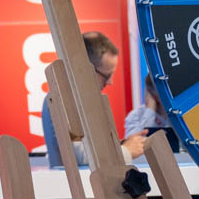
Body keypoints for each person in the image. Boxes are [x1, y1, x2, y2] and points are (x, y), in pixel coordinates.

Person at [41, 30, 147, 165]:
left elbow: (92, 149)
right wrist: (126, 151)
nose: (110, 82)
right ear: (85, 68)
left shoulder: (80, 100)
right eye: (107, 76)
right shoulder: (61, 99)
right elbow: (80, 157)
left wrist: (122, 145)